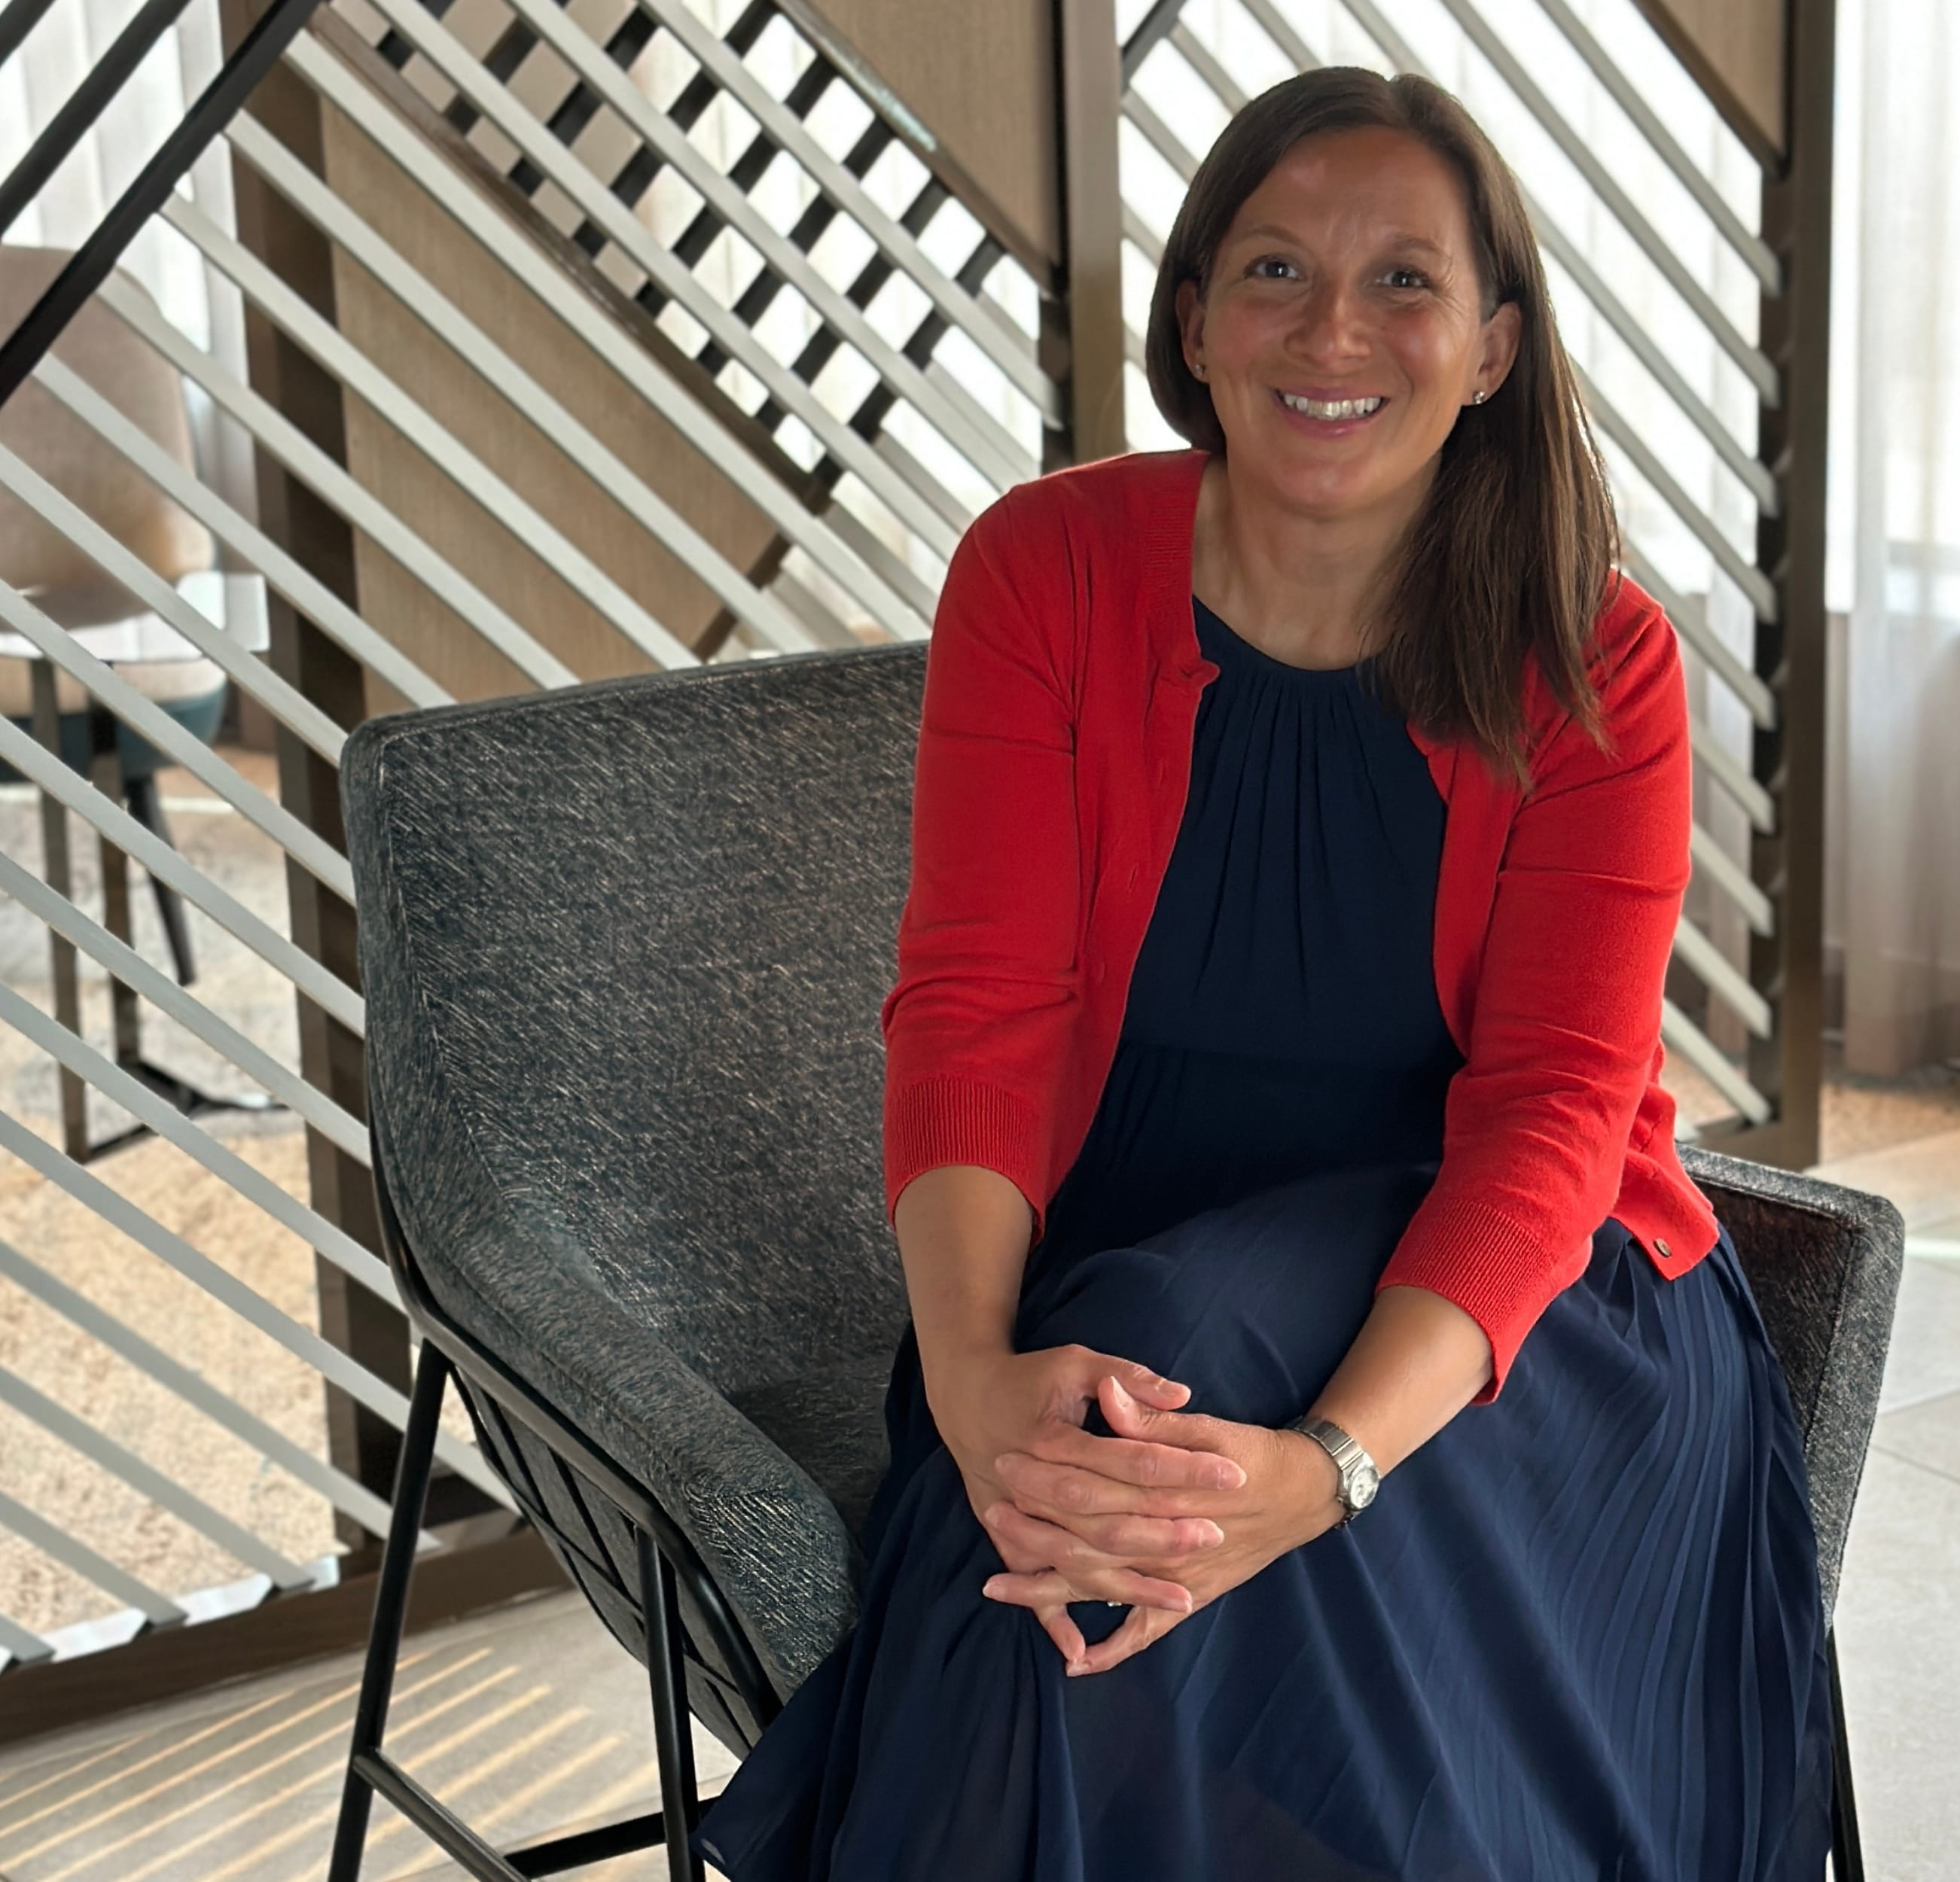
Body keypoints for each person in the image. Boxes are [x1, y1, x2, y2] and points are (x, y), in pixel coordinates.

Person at [693, 64, 1833, 1882]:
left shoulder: (1592, 654)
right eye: (1276, 270)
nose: (1334, 328)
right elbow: (974, 1009)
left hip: (1500, 1324)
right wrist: (977, 1369)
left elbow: (1550, 1123)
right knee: (1093, 1443)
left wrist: (1324, 1469)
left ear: (1492, 348)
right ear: (1196, 325)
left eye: (1405, 281)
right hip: (1111, 1280)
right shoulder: (1045, 572)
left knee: (1086, 1522)